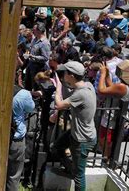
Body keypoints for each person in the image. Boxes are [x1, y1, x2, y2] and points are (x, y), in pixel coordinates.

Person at [53, 61, 97, 191]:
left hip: (82, 140)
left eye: (65, 73)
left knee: (79, 176)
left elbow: (59, 105)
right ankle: (70, 168)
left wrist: (58, 88)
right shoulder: (88, 85)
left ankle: (73, 171)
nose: (63, 75)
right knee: (57, 147)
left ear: (71, 75)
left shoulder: (80, 94)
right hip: (77, 133)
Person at [24, 22, 51, 91]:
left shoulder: (45, 43)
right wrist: (28, 53)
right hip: (31, 65)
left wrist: (33, 56)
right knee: (27, 84)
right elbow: (31, 48)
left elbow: (45, 58)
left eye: (34, 29)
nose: (33, 31)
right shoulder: (34, 39)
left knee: (36, 86)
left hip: (38, 68)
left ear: (39, 31)